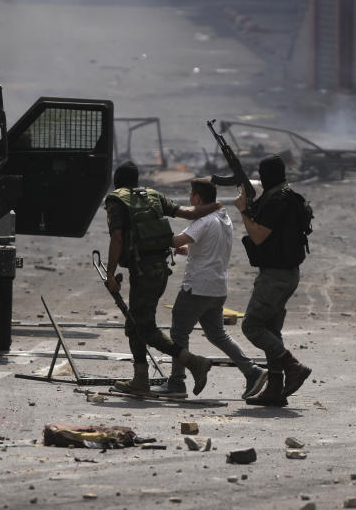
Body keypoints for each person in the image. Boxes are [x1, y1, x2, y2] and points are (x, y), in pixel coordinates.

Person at [104, 161, 219, 396]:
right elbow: (189, 213)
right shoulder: (153, 196)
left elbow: (117, 238)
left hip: (142, 271)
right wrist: (216, 204)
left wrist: (110, 274)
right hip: (159, 271)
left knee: (143, 327)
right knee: (134, 324)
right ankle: (140, 379)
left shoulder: (116, 200)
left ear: (117, 182)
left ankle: (194, 362)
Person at [151, 178, 268, 400]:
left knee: (178, 333)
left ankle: (176, 383)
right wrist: (188, 249)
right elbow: (204, 246)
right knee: (217, 335)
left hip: (198, 287)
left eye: (191, 194)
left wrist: (153, 229)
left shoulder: (202, 220)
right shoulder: (223, 219)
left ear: (197, 198)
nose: (189, 198)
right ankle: (252, 371)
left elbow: (176, 241)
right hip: (217, 288)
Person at [234, 155, 312, 407]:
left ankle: (293, 365)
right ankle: (275, 389)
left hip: (276, 276)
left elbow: (257, 236)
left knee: (252, 326)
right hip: (284, 273)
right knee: (271, 330)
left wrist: (243, 210)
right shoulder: (285, 195)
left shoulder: (278, 200)